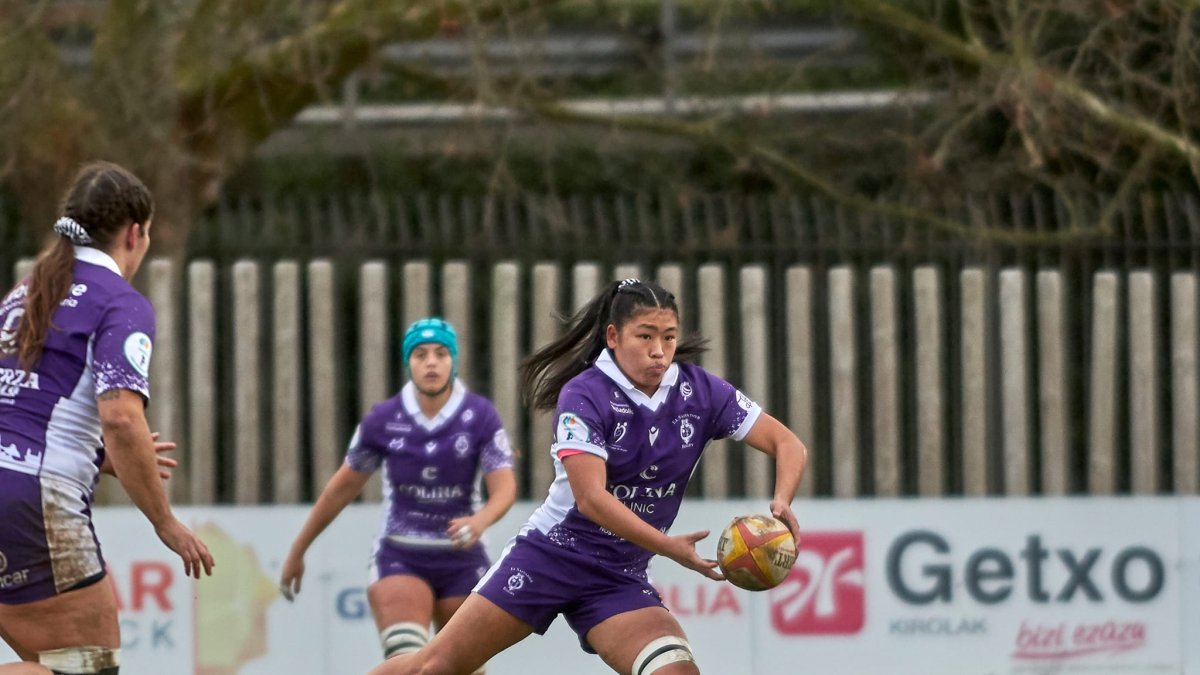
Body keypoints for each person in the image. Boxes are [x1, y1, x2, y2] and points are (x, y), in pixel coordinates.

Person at [370, 278, 807, 675]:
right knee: (432, 668)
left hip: (618, 576)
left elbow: (788, 444)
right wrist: (668, 548)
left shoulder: (702, 391)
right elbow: (591, 500)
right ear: (613, 337)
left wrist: (782, 500)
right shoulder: (584, 394)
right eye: (646, 337)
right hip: (548, 558)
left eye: (669, 337)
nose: (659, 350)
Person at [0, 161, 215, 675]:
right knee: (85, 669)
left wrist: (94, 457)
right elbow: (120, 417)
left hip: (16, 486)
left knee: (49, 664)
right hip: (31, 501)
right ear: (136, 233)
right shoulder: (119, 302)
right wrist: (165, 522)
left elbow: (23, 403)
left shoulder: (23, 294)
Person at [280, 317, 518, 670]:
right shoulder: (384, 419)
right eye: (420, 355)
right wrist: (298, 551)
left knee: (463, 666)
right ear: (409, 363)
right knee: (407, 660)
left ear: (453, 360)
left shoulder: (480, 416)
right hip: (401, 556)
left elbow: (505, 487)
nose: (432, 362)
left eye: (441, 353)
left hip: (463, 560)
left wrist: (481, 520)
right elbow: (338, 491)